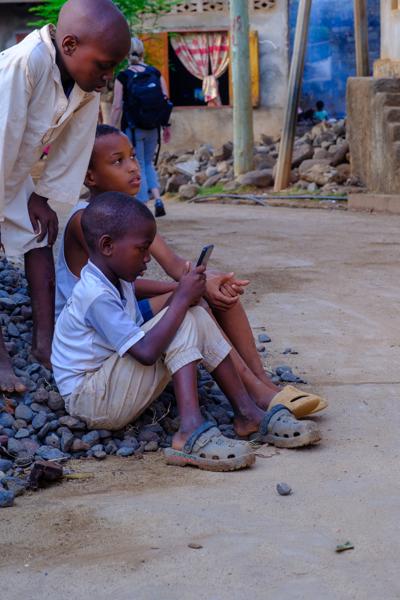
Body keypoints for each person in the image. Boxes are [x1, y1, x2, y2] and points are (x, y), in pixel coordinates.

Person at [55, 125, 328, 420]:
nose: (134, 166)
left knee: (209, 290)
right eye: (118, 161)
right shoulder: (87, 222)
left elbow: (174, 267)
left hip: (122, 314)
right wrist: (184, 292)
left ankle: (262, 382)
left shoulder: (127, 218)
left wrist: (204, 281)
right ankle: (254, 392)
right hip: (98, 329)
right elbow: (121, 285)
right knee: (192, 302)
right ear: (89, 176)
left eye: (133, 156)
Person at [52, 192, 321, 471]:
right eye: (142, 249)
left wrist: (183, 292)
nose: (147, 259)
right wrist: (180, 298)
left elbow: (142, 296)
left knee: (194, 313)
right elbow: (145, 353)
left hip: (109, 383)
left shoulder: (112, 276)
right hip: (92, 400)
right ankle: (189, 431)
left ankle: (247, 414)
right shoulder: (94, 295)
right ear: (107, 245)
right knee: (183, 317)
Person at [0, 0, 131, 392]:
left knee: (39, 235)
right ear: (70, 45)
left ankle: (46, 343)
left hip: (15, 172)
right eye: (104, 66)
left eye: (112, 69)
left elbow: (73, 146)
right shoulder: (23, 65)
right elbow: (3, 136)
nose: (107, 78)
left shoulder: (86, 86)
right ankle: (1, 360)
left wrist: (41, 196)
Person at [111, 37, 170, 218]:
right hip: (153, 127)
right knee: (148, 162)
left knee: (138, 165)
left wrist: (111, 130)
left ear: (125, 54)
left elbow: (117, 106)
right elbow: (166, 99)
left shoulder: (123, 76)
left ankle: (142, 205)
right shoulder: (155, 73)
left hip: (133, 129)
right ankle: (158, 199)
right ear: (143, 52)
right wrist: (166, 125)